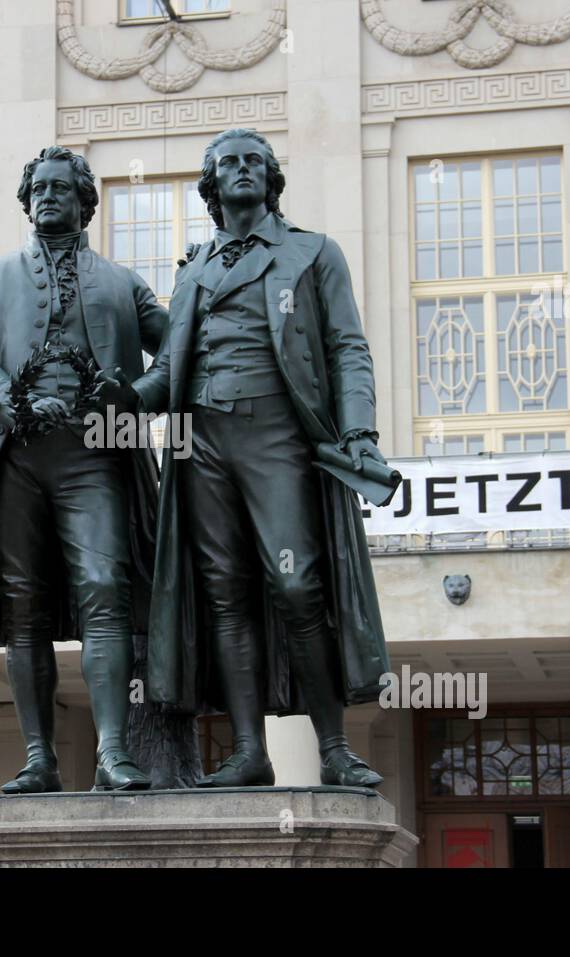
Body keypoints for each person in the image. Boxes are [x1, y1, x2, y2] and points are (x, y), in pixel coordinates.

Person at [145, 128, 391, 788]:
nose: (243, 169)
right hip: (202, 443)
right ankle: (249, 750)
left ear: (271, 178)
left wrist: (358, 429)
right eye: (229, 163)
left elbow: (347, 348)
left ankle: (333, 749)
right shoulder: (193, 269)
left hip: (277, 436)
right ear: (212, 184)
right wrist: (114, 399)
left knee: (297, 585)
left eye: (255, 161)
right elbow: (167, 368)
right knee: (224, 594)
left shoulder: (313, 252)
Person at [0, 146, 168, 793]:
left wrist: (135, 396)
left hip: (96, 455)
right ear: (27, 202)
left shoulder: (123, 284)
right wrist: (13, 401)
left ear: (84, 203)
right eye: (39, 189)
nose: (49, 197)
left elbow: (179, 351)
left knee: (105, 587)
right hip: (14, 457)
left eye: (62, 189)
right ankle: (39, 757)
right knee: (24, 606)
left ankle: (113, 751)